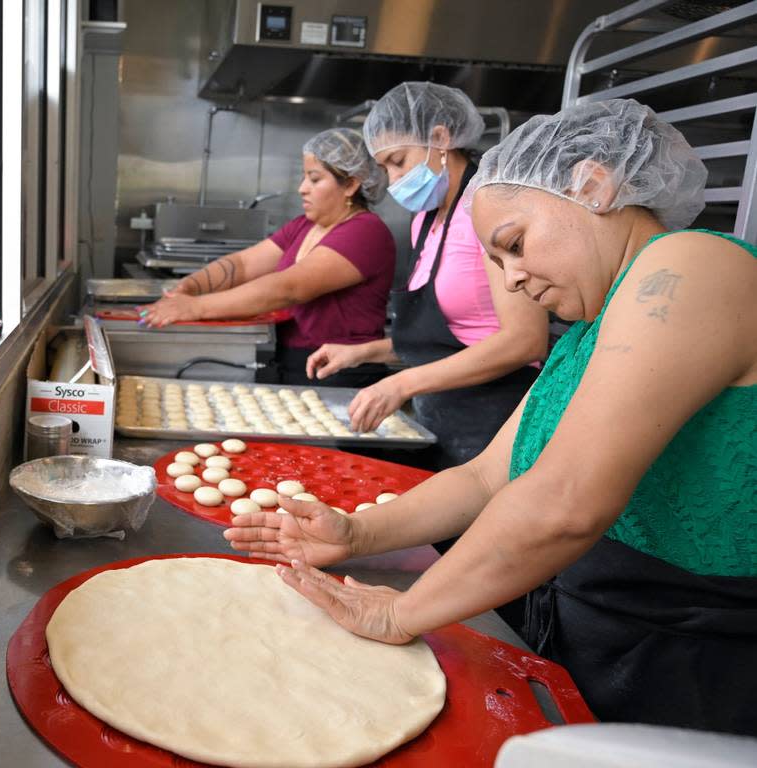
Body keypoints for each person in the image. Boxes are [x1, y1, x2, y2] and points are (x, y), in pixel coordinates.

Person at [224, 98, 757, 735]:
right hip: (593, 640)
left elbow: (565, 500)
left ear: (594, 184)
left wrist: (403, 613)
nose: (513, 280)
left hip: (691, 667)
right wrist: (356, 535)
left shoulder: (690, 266)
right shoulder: (590, 331)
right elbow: (485, 479)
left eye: (514, 244)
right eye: (497, 262)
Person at [306, 83, 548, 468]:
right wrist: (362, 352)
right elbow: (443, 336)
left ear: (440, 139)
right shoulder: (424, 222)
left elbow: (526, 341)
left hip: (495, 423)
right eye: (385, 167)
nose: (393, 179)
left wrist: (402, 383)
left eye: (398, 161)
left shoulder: (487, 212)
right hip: (439, 420)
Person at [137, 128, 396, 387]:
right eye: (304, 177)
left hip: (343, 374)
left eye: (315, 179)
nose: (301, 189)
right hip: (295, 365)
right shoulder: (304, 226)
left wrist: (195, 307)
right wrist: (188, 288)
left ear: (351, 184)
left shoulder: (365, 232)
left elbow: (289, 288)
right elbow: (243, 265)